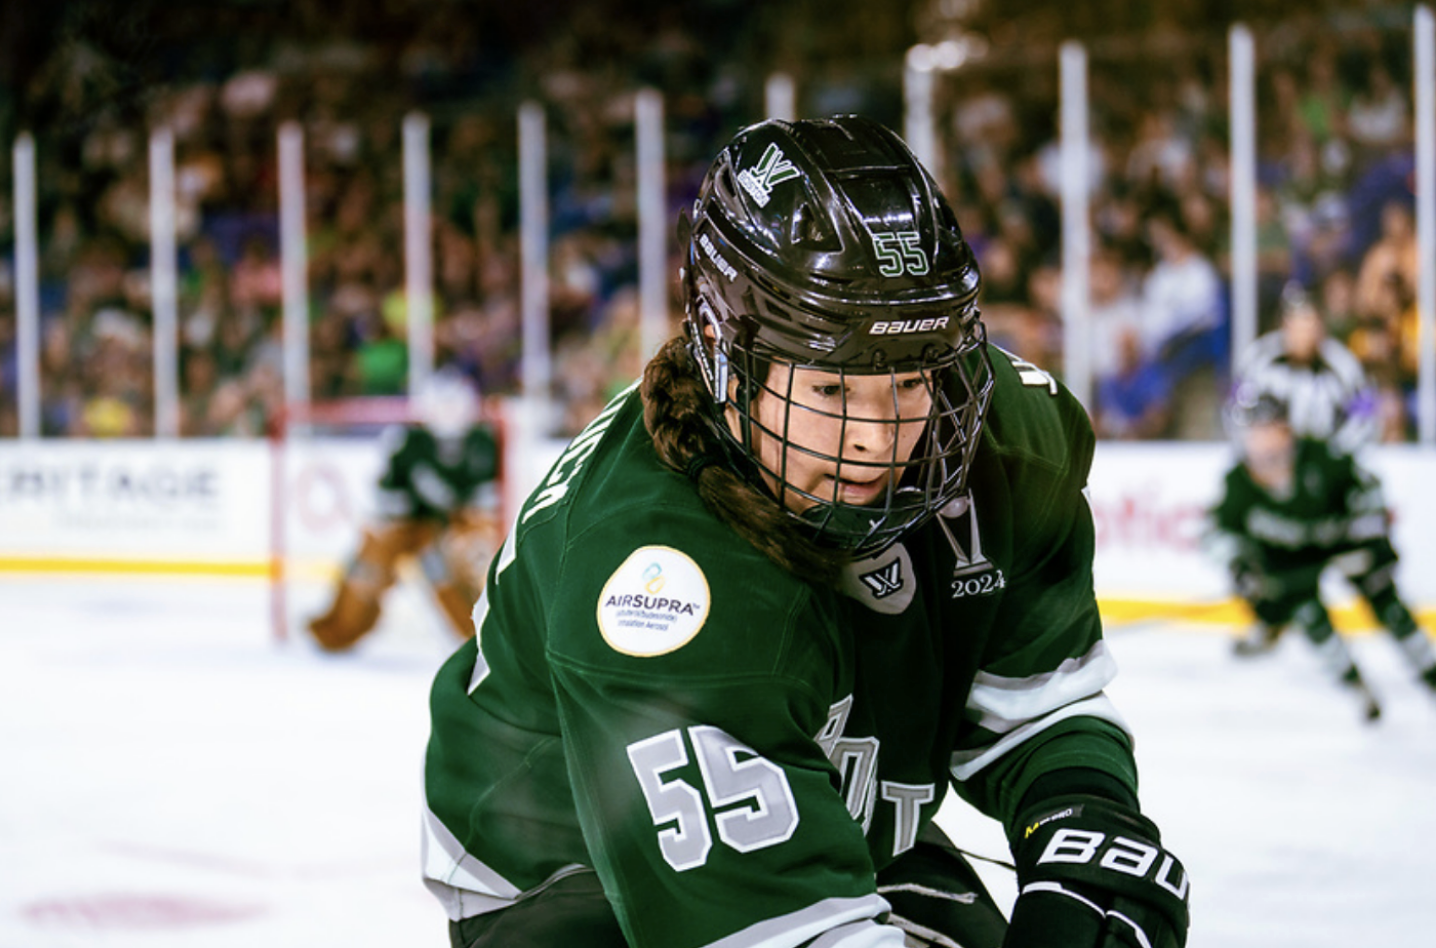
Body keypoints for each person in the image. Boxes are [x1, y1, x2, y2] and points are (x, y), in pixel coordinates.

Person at [422, 116, 1189, 948]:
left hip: (833, 812)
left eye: (911, 378)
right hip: (570, 872)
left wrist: (1082, 822)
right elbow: (767, 927)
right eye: (831, 390)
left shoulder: (1000, 441)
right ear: (725, 357)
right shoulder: (653, 577)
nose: (879, 436)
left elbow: (1036, 704)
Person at [1205, 387, 1436, 720]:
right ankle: (1354, 685)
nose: (1260, 442)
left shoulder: (1323, 458)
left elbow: (1369, 494)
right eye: (1252, 433)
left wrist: (1369, 540)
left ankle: (1430, 673)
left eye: (1267, 429)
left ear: (1286, 429)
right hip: (1292, 560)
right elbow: (1218, 533)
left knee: (1385, 599)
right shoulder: (1239, 482)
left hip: (1346, 544)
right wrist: (1241, 569)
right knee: (1307, 611)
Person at [308, 369, 501, 651]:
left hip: (452, 527)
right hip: (406, 525)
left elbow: (487, 503)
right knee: (370, 565)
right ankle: (339, 630)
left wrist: (457, 526)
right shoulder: (406, 442)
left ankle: (484, 636)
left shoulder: (484, 443)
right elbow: (385, 495)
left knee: (463, 563)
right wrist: (394, 526)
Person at [1233, 281, 1376, 456]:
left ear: (1320, 327)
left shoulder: (1342, 364)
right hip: (1271, 462)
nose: (1303, 333)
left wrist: (1334, 454)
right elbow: (1236, 409)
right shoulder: (1260, 360)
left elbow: (1364, 414)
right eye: (1296, 323)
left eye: (1309, 323)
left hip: (1326, 462)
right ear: (1284, 325)